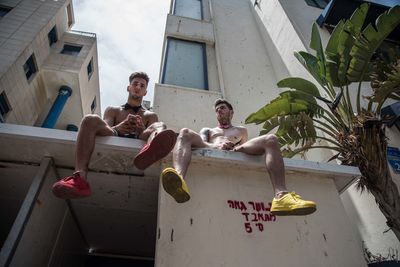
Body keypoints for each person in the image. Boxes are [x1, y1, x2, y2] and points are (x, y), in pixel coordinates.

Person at [161, 98, 316, 216]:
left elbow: (247, 148)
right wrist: (216, 146)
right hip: (213, 147)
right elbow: (200, 144)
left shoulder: (241, 130)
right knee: (185, 132)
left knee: (271, 139)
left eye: (222, 108)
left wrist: (236, 147)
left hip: (237, 149)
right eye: (217, 110)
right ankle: (179, 180)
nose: (219, 111)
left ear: (231, 112)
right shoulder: (208, 130)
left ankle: (281, 196)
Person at [52, 71, 177, 199]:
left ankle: (148, 152)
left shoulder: (150, 115)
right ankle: (79, 179)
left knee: (160, 125)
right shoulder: (113, 110)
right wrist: (119, 127)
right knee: (90, 119)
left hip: (141, 137)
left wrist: (141, 129)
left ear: (145, 92)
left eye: (142, 86)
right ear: (129, 87)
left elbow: (149, 131)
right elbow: (105, 128)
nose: (138, 87)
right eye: (135, 84)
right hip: (115, 133)